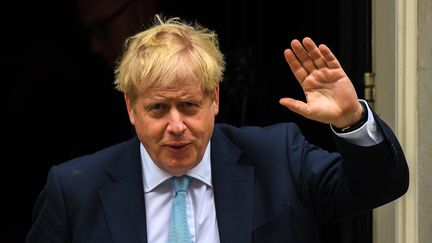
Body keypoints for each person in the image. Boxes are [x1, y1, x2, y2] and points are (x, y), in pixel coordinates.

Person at [26, 15, 409, 243]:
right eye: (158, 108)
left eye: (189, 105)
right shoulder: (75, 190)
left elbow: (381, 185)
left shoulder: (278, 157)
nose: (176, 126)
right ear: (131, 108)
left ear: (214, 101)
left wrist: (350, 121)